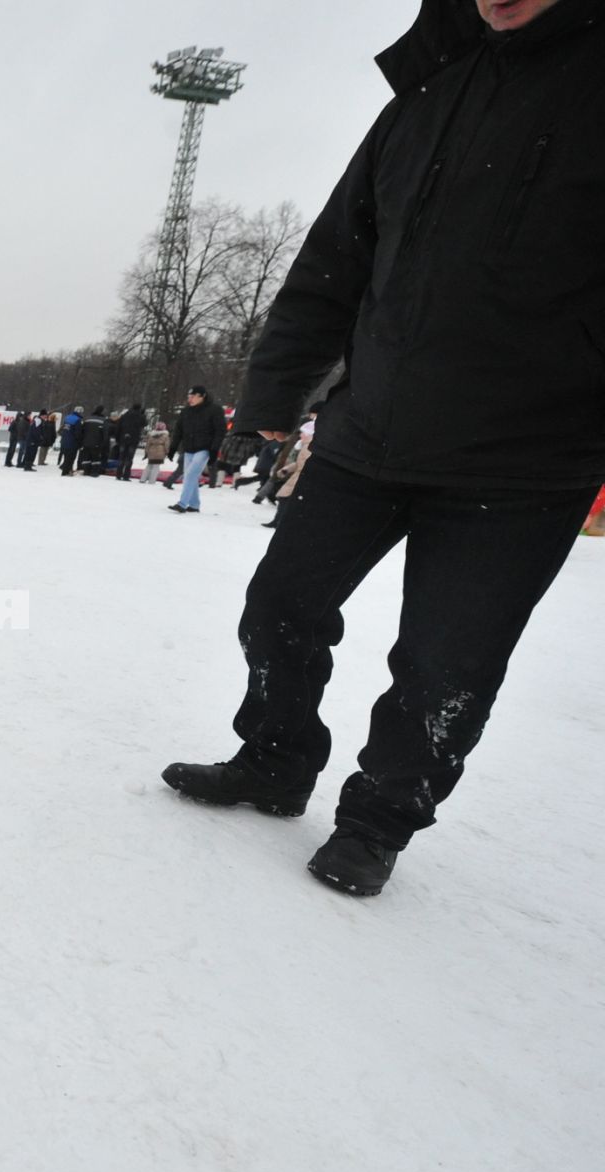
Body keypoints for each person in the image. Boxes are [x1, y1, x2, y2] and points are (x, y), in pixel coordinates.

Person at [163, 0, 605, 897]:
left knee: (446, 667)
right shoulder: (426, 88)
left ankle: (377, 820)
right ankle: (276, 760)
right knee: (279, 605)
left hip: (528, 458)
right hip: (372, 428)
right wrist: (275, 394)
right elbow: (335, 260)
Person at [166, 386, 220, 512]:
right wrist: (173, 447)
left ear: (202, 396)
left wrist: (214, 450)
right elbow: (179, 430)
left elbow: (220, 431)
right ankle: (195, 505)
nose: (189, 399)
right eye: (188, 397)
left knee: (190, 474)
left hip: (205, 448)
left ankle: (182, 504)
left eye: (193, 396)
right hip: (189, 448)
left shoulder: (214, 410)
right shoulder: (186, 411)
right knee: (191, 476)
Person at [112, 403, 147, 481]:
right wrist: (143, 415)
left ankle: (118, 474)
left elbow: (118, 427)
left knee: (121, 457)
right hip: (133, 439)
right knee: (129, 458)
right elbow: (145, 424)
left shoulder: (124, 416)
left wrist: (118, 438)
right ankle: (126, 475)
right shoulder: (140, 416)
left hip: (123, 439)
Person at [138, 419, 170, 484]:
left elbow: (148, 444)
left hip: (151, 451)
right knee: (156, 466)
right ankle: (152, 481)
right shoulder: (165, 435)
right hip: (160, 452)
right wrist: (167, 452)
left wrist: (146, 452)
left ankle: (143, 478)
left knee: (149, 465)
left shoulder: (151, 435)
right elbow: (166, 445)